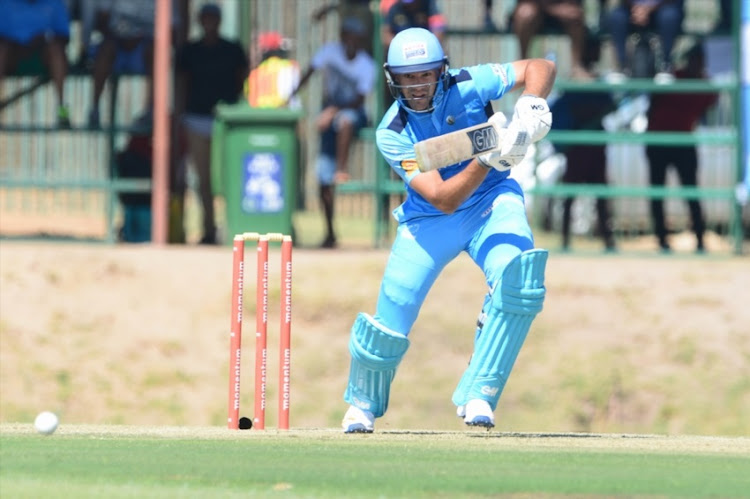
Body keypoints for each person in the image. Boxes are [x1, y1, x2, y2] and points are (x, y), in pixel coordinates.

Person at [340, 27, 555, 433]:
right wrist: (488, 158)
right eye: (407, 77)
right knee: (393, 312)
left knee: (519, 280)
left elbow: (539, 66)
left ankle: (481, 393)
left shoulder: (470, 82)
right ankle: (362, 404)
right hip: (430, 218)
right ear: (392, 79)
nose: (417, 86)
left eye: (425, 74)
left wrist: (531, 103)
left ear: (443, 70)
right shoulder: (392, 132)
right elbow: (442, 197)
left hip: (492, 202)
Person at [290, 17, 376, 249]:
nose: (349, 41)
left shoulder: (367, 66)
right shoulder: (329, 52)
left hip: (353, 114)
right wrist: (291, 96)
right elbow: (309, 72)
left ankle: (341, 169)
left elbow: (359, 100)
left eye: (354, 38)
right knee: (321, 178)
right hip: (328, 117)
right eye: (346, 35)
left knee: (345, 120)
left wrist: (333, 111)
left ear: (360, 41)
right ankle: (330, 232)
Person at [175, 3, 248, 245]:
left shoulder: (232, 50)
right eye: (204, 18)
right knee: (203, 180)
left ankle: (235, 228)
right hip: (196, 120)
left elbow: (243, 80)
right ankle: (208, 229)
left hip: (227, 122)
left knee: (228, 177)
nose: (208, 22)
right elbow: (182, 84)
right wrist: (180, 116)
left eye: (212, 18)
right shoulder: (190, 51)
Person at [645, 42, 717, 253]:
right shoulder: (672, 79)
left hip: (684, 141)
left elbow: (708, 105)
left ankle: (700, 239)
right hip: (658, 141)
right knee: (658, 192)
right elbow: (653, 102)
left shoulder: (705, 85)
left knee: (691, 192)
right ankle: (662, 240)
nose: (698, 64)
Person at [549, 34, 616, 251]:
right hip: (578, 145)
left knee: (601, 197)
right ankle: (566, 240)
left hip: (595, 145)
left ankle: (608, 241)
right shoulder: (575, 80)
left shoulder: (598, 80)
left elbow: (607, 104)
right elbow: (573, 108)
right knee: (570, 196)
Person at [0, 0, 72, 127]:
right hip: (12, 55)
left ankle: (62, 109)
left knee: (56, 50)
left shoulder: (54, 3)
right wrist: (17, 44)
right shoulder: (5, 3)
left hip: (42, 54)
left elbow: (65, 36)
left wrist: (43, 39)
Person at [510, 0, 591, 80]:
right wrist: (550, 8)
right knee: (525, 13)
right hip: (533, 4)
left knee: (574, 14)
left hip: (561, 4)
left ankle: (576, 67)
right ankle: (523, 64)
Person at [606, 0, 685, 81]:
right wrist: (636, 8)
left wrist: (648, 9)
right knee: (617, 17)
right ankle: (620, 66)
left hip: (664, 8)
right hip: (631, 9)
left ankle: (665, 66)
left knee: (670, 17)